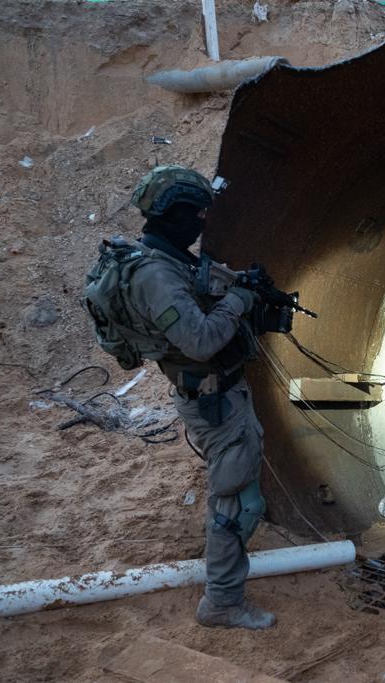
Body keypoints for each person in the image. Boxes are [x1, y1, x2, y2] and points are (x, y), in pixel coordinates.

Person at [103, 165, 275, 629]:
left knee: (244, 495)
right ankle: (222, 601)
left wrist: (236, 283)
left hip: (221, 394)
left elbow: (197, 289)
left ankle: (224, 587)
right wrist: (239, 300)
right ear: (173, 214)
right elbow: (200, 341)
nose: (202, 220)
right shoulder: (155, 274)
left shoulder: (164, 257)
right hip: (213, 400)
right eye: (196, 212)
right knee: (235, 503)